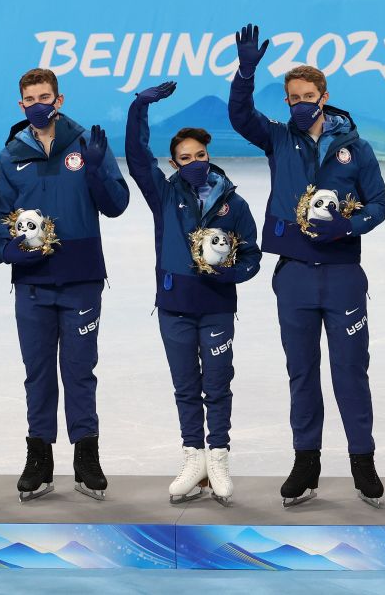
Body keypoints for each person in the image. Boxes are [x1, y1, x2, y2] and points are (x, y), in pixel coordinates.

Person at [228, 24, 385, 508]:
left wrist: (348, 226)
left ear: (324, 96)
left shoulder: (355, 148)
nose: (300, 103)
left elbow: (379, 205)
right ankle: (306, 461)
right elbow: (239, 115)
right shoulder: (278, 139)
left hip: (342, 275)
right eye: (292, 97)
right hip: (294, 274)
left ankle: (363, 460)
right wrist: (245, 72)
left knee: (350, 371)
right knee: (301, 371)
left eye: (308, 95)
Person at [0, 67, 129, 501]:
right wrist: (8, 249)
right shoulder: (11, 154)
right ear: (21, 104)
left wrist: (96, 173)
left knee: (79, 371)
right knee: (37, 374)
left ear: (60, 99)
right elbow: (0, 217)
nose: (38, 104)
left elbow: (117, 205)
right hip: (32, 282)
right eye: (30, 98)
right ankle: (39, 457)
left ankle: (86, 456)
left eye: (45, 96)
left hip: (81, 280)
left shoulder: (87, 143)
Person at [124, 81, 262, 506]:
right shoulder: (163, 194)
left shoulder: (232, 203)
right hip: (175, 307)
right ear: (174, 163)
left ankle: (218, 457)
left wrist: (231, 275)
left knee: (217, 386)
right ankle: (193, 458)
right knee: (186, 387)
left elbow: (253, 256)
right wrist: (139, 108)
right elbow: (135, 157)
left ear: (209, 156)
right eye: (185, 159)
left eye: (200, 156)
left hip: (217, 308)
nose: (195, 163)